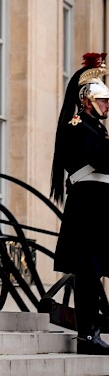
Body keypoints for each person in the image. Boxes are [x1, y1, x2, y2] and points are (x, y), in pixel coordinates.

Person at [50, 52, 109, 355]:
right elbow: (100, 161)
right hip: (87, 208)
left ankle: (94, 330)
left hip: (98, 207)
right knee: (88, 274)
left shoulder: (96, 129)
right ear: (86, 100)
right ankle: (87, 335)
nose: (106, 105)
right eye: (102, 100)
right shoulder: (78, 127)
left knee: (94, 272)